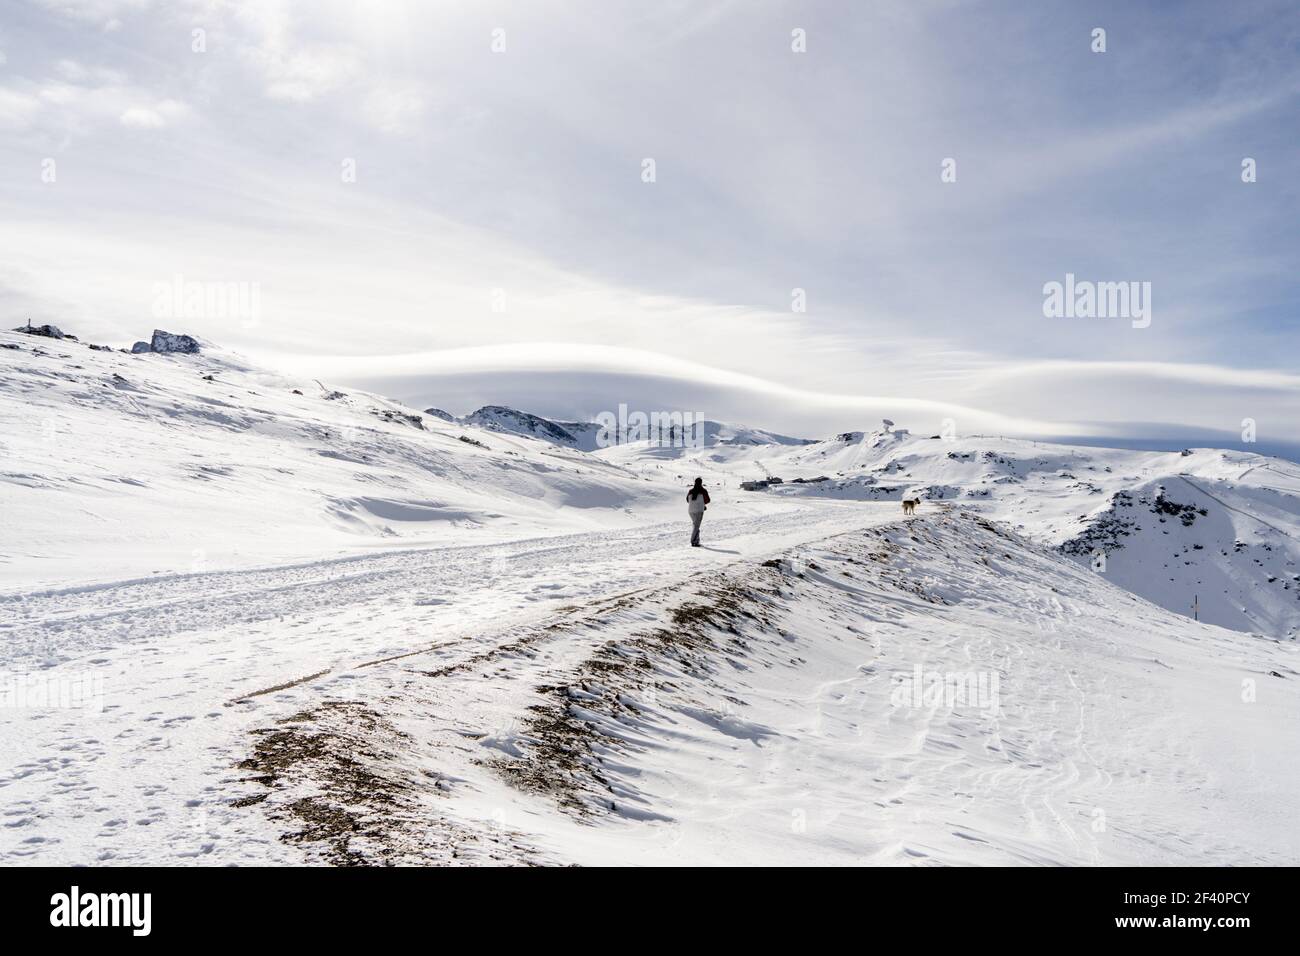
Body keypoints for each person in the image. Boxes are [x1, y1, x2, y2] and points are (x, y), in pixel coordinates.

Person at [686, 477, 710, 546]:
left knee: (695, 525)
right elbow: (708, 500)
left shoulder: (690, 491)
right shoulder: (703, 490)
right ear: (701, 483)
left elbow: (687, 500)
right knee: (696, 526)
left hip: (690, 511)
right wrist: (702, 504)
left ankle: (696, 540)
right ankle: (693, 541)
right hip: (699, 510)